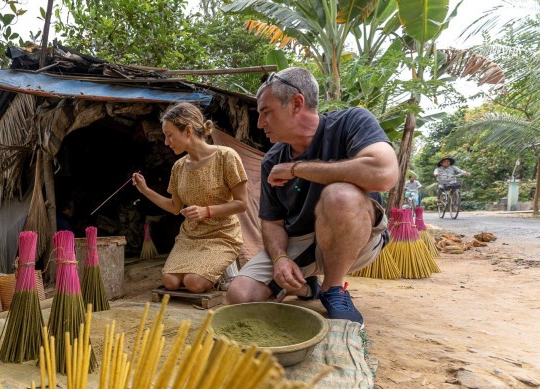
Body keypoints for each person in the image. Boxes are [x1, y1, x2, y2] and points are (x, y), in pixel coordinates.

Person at [226, 67, 398, 324]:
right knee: (240, 295)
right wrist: (280, 258)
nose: (260, 123)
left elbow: (384, 173)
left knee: (340, 195)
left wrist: (297, 169)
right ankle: (307, 288)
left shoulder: (352, 121)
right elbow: (272, 222)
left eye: (266, 112)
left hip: (359, 238)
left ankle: (333, 289)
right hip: (301, 242)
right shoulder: (272, 160)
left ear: (297, 103)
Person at [132, 102, 248, 293]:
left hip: (221, 235)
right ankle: (212, 273)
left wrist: (206, 211)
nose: (166, 142)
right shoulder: (178, 167)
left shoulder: (226, 156)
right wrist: (145, 190)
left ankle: (225, 272)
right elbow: (174, 207)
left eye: (169, 135)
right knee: (170, 282)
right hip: (190, 237)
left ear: (187, 130)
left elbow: (242, 204)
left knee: (193, 283)